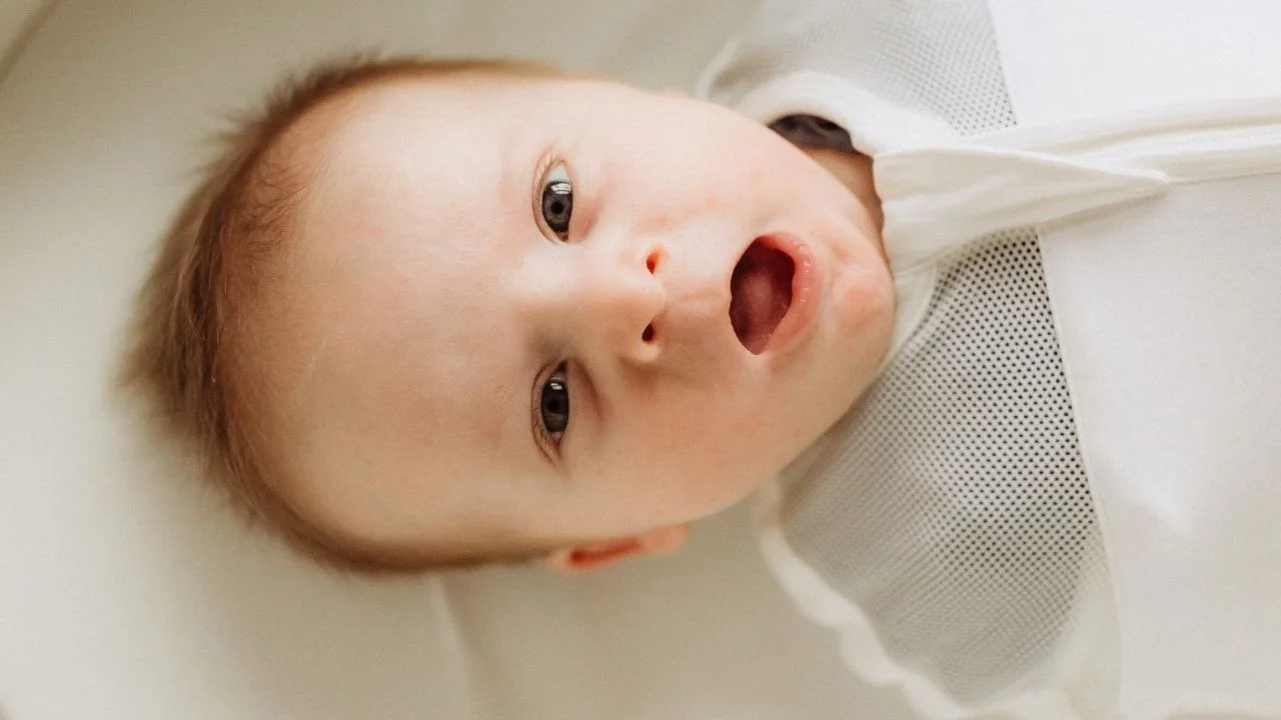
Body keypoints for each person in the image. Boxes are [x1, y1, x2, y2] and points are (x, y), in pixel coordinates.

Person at [123, 1, 1281, 717]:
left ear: (613, 93)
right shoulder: (924, 585)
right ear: (625, 534)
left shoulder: (866, 18)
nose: (621, 298)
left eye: (560, 201)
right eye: (555, 403)